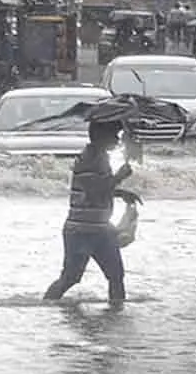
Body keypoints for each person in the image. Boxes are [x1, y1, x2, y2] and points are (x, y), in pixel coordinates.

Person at [43, 120, 141, 306]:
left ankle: (115, 315)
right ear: (100, 136)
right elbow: (95, 191)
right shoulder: (89, 158)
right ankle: (46, 308)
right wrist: (119, 177)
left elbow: (95, 188)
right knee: (71, 278)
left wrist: (120, 192)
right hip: (82, 230)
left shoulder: (99, 156)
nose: (116, 139)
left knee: (116, 275)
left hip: (100, 227)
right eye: (113, 135)